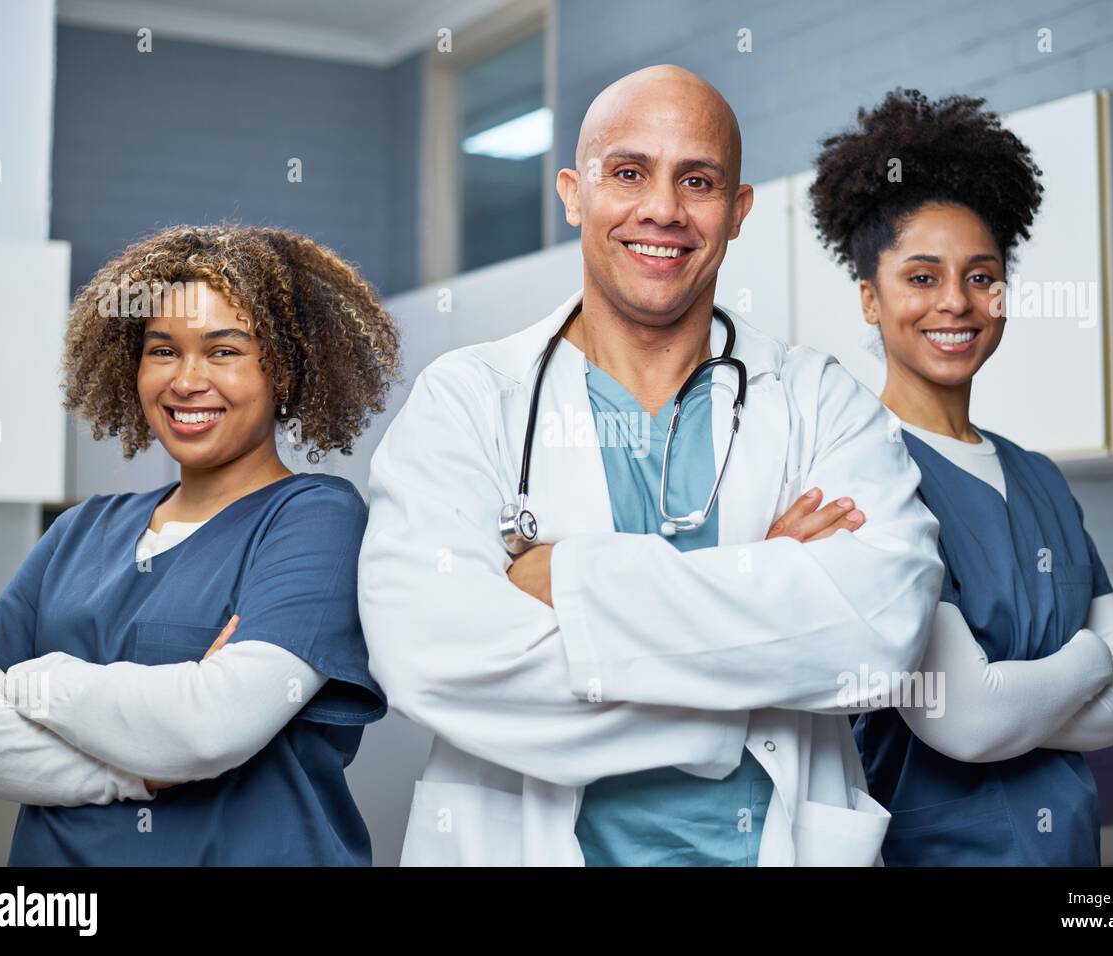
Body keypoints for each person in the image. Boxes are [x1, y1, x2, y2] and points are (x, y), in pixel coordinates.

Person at [359, 65, 944, 866]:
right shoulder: (469, 400)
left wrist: (572, 576)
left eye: (697, 181)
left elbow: (880, 631)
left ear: (737, 212)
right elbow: (430, 657)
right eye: (628, 173)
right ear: (574, 192)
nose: (662, 210)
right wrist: (754, 633)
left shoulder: (815, 397)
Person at [0, 225, 398, 865]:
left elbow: (210, 728)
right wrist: (133, 774)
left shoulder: (314, 518)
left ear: (288, 372)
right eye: (163, 350)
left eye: (224, 351)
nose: (186, 381)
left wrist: (36, 680)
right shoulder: (81, 528)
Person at [809, 89, 1113, 865]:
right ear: (870, 298)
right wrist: (1098, 662)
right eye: (922, 277)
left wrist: (1018, 699)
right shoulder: (861, 471)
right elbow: (967, 721)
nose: (957, 302)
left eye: (982, 275)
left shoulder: (1040, 479)